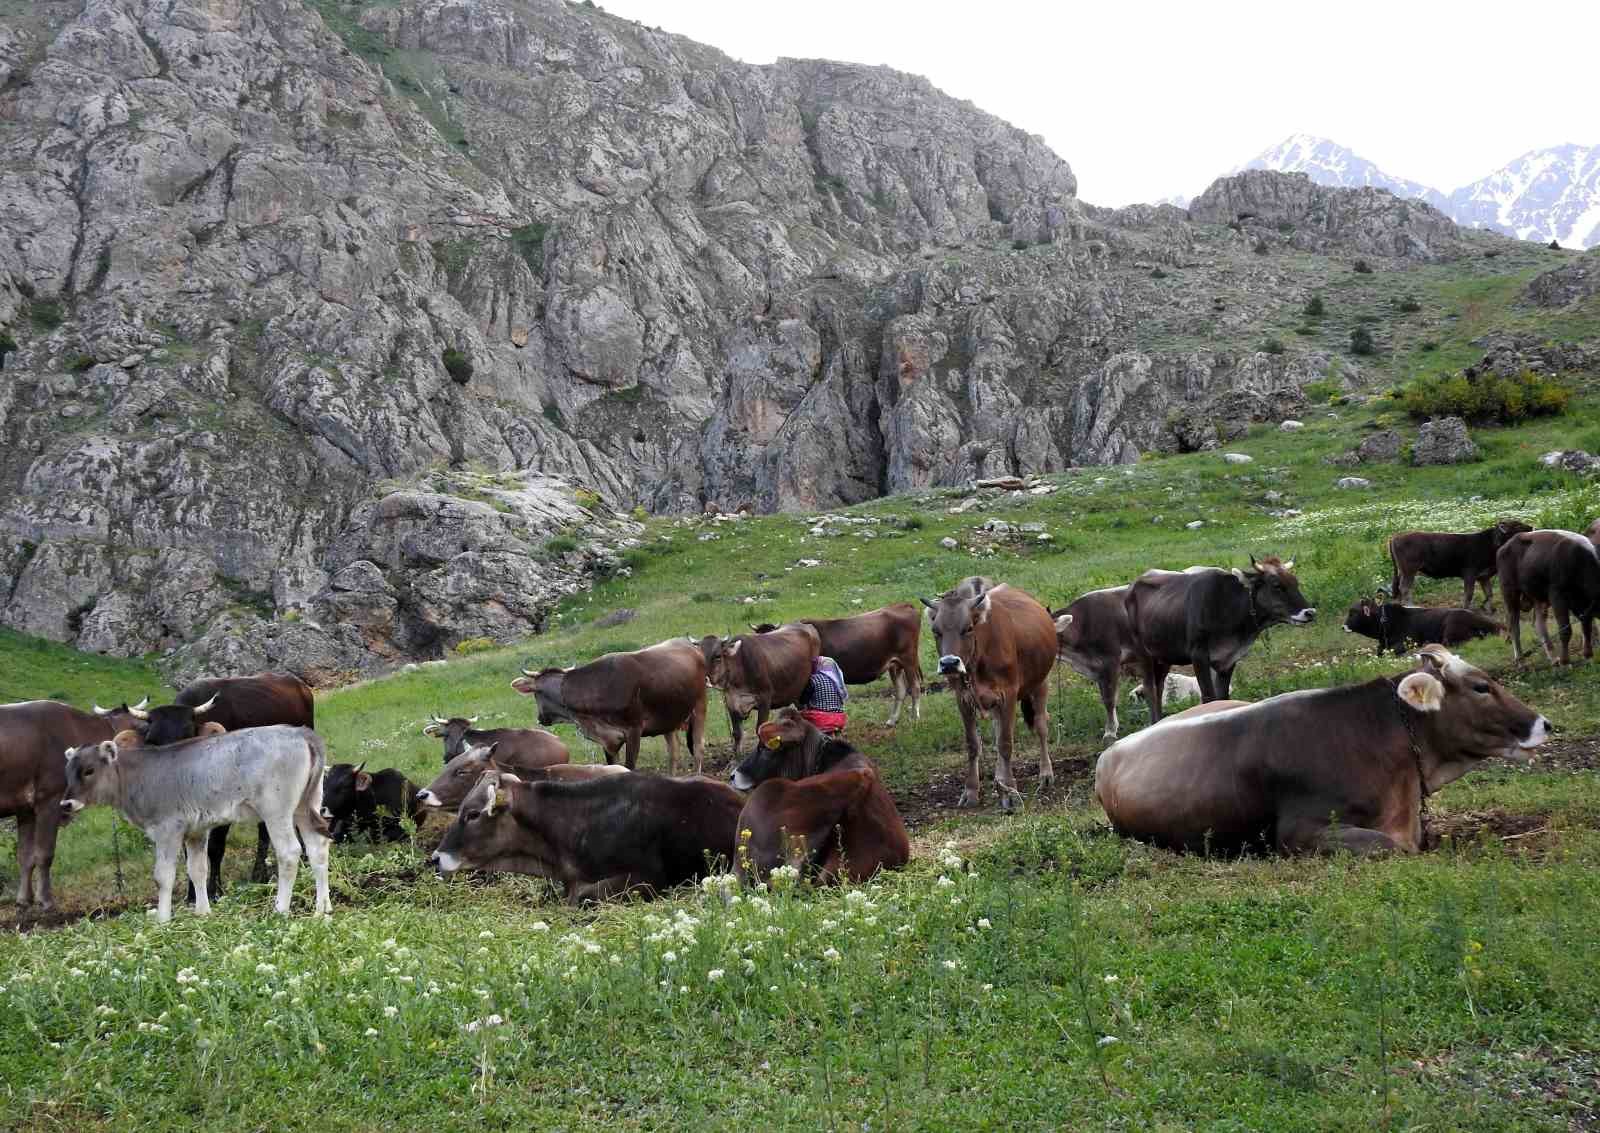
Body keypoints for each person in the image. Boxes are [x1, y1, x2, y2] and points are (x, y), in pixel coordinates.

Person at [798, 656, 848, 735]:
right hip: (839, 719)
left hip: (820, 719)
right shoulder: (838, 682)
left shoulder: (814, 679)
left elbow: (803, 700)